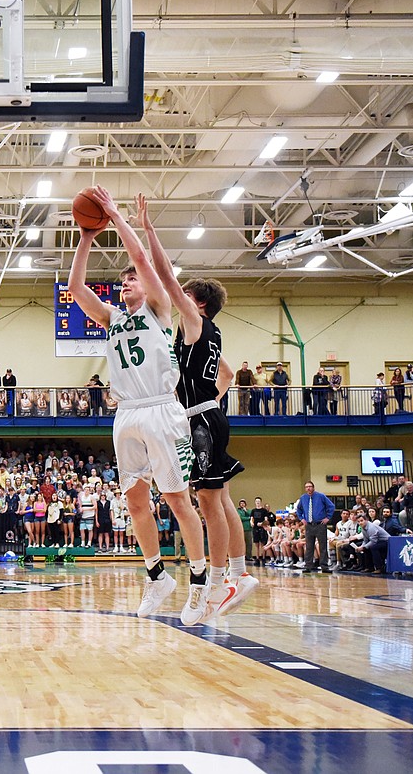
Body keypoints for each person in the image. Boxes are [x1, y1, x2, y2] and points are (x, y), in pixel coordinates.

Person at [67, 185, 210, 625]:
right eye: (123, 279)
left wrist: (116, 216)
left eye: (131, 278)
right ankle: (156, 576)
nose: (127, 280)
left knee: (178, 499)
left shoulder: (158, 308)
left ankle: (201, 581)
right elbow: (74, 287)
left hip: (161, 408)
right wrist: (88, 237)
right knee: (134, 502)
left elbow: (146, 263)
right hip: (126, 412)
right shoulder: (112, 318)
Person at [140, 194, 257, 618]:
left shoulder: (194, 321)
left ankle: (222, 581)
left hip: (201, 420)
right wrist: (211, 403)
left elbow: (166, 278)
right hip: (207, 414)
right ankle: (240, 574)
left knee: (208, 504)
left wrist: (148, 230)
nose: (179, 297)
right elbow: (225, 374)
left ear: (198, 303)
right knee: (220, 500)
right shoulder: (213, 332)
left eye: (186, 295)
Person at [294, 481, 335, 573]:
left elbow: (331, 506)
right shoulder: (303, 498)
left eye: (310, 486)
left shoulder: (321, 496)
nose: (308, 488)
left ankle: (324, 566)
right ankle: (308, 566)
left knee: (322, 546)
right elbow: (299, 509)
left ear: (313, 487)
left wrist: (327, 518)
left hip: (320, 524)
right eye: (306, 487)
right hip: (309, 525)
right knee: (309, 546)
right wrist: (301, 519)